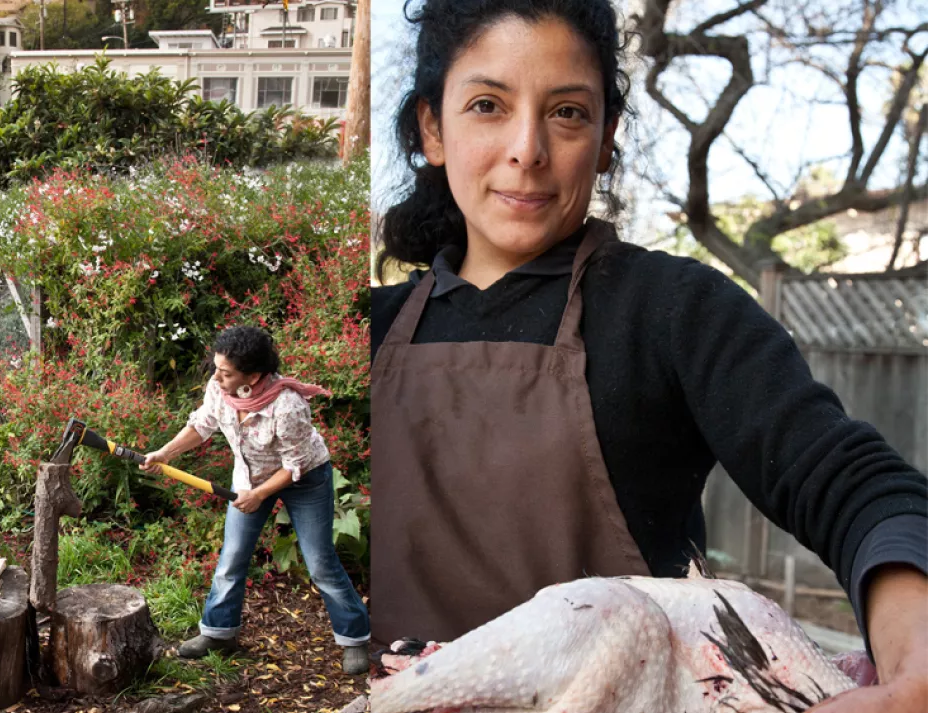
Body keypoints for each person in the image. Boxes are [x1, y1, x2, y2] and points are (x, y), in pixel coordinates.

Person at [369, 1, 926, 710]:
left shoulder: (676, 311)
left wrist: (916, 664)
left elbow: (852, 484)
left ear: (605, 140)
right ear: (432, 128)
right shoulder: (371, 328)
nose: (527, 149)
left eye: (567, 113)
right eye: (487, 105)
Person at [142, 325, 370, 675]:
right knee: (232, 557)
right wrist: (164, 453)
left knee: (320, 563)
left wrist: (260, 495)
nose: (216, 377)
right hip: (249, 479)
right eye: (216, 368)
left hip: (305, 480)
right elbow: (202, 425)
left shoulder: (287, 405)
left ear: (253, 376)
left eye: (226, 372)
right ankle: (219, 634)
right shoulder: (219, 389)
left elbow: (294, 465)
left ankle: (355, 637)